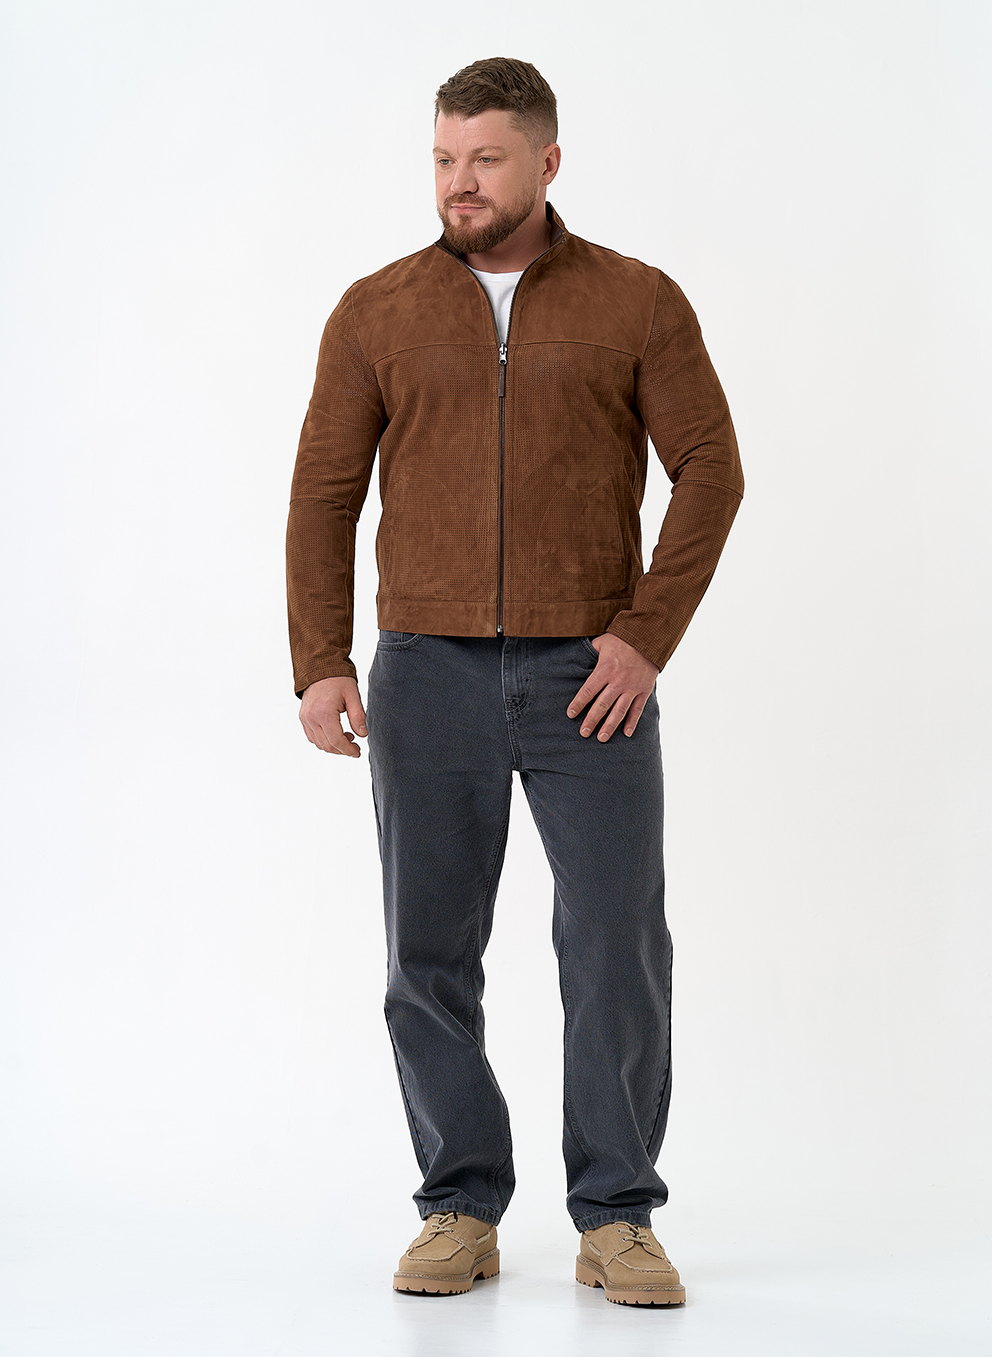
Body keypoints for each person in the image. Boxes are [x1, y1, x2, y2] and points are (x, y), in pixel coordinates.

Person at [286, 56, 743, 1307]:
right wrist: (321, 656)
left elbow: (709, 467)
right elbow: (324, 493)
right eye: (443, 158)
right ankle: (458, 1203)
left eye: (484, 159)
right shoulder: (375, 310)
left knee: (615, 944)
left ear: (545, 161)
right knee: (427, 950)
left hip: (588, 671)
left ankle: (616, 1215)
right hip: (422, 669)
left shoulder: (635, 300)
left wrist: (643, 635)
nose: (459, 183)